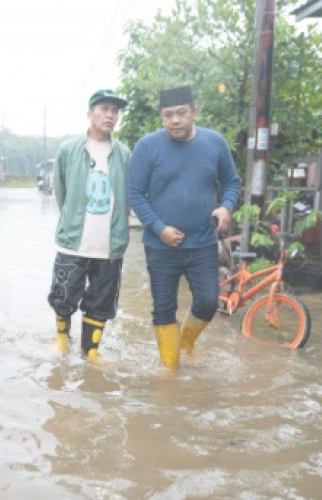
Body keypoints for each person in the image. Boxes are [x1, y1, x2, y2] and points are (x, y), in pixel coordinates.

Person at [127, 85, 241, 370]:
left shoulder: (214, 144)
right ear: (161, 116)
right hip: (160, 245)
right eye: (168, 115)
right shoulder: (147, 146)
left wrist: (225, 206)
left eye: (181, 113)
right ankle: (169, 368)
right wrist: (158, 227)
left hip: (202, 242)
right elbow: (135, 193)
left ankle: (187, 342)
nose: (175, 120)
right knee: (163, 307)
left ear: (194, 112)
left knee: (207, 301)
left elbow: (231, 182)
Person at [47, 89, 131, 363]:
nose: (110, 115)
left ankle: (91, 351)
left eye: (115, 111)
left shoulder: (124, 154)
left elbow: (129, 194)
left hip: (110, 245)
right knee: (63, 292)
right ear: (90, 114)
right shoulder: (70, 150)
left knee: (101, 300)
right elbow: (60, 190)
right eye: (104, 109)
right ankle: (62, 338)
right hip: (74, 241)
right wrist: (72, 219)